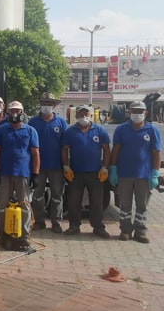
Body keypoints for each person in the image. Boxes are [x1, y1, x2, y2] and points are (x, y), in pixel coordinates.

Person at [109, 101, 161, 243]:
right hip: (124, 174)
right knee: (125, 206)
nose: (137, 114)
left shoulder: (152, 130)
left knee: (142, 206)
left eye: (140, 111)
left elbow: (156, 153)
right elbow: (115, 150)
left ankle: (140, 232)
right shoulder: (121, 129)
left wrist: (155, 174)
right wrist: (113, 169)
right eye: (134, 111)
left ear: (146, 113)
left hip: (144, 175)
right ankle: (125, 231)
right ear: (129, 112)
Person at [0, 101, 40, 248]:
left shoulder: (30, 131)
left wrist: (35, 174)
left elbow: (35, 154)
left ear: (22, 113)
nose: (14, 114)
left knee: (24, 204)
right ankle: (2, 233)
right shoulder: (1, 130)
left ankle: (24, 235)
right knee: (2, 204)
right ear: (8, 113)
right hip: (4, 173)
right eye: (12, 111)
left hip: (23, 173)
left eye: (17, 111)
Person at [61, 105, 111, 238]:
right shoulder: (70, 131)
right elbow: (64, 149)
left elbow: (106, 150)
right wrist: (66, 166)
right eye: (81, 114)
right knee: (73, 201)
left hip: (96, 173)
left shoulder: (100, 130)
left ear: (91, 116)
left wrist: (105, 168)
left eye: (86, 114)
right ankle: (74, 226)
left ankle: (98, 227)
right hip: (75, 173)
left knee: (97, 202)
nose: (84, 117)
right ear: (76, 116)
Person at [29, 92, 67, 233]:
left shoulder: (61, 122)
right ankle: (39, 221)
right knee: (37, 194)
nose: (46, 106)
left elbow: (65, 146)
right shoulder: (32, 122)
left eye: (49, 103)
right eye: (44, 103)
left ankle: (56, 222)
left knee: (57, 195)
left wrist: (66, 165)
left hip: (56, 166)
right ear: (40, 104)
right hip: (38, 166)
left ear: (54, 106)